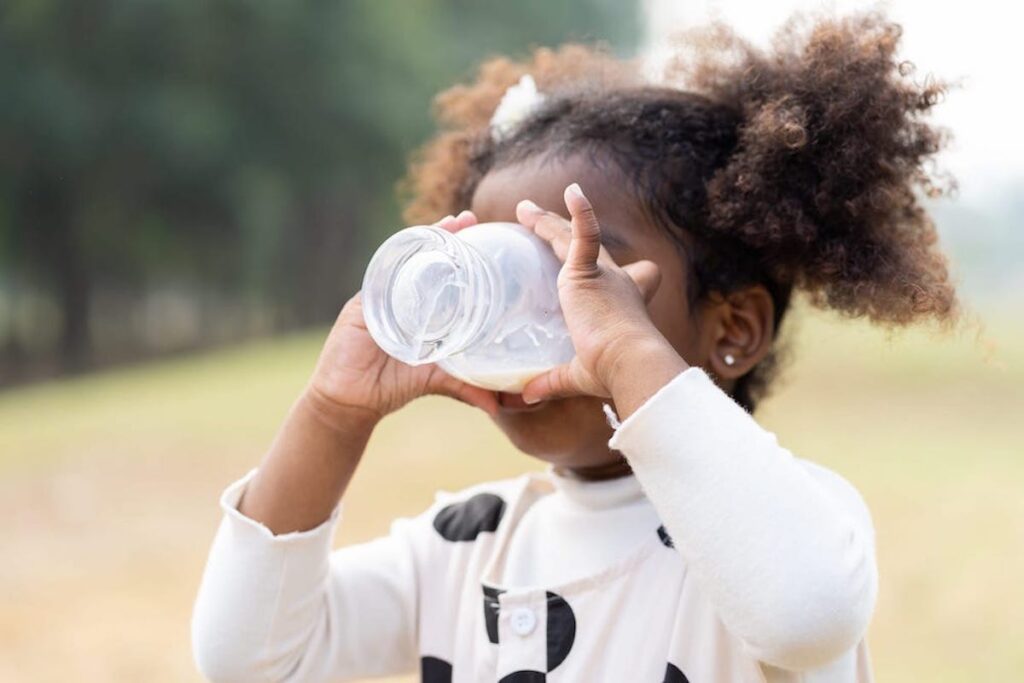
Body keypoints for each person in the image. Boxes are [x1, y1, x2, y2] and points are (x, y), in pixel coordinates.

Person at [192, 12, 958, 683]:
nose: (540, 308)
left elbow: (805, 613)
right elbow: (248, 656)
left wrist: (625, 353)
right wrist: (331, 414)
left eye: (585, 270)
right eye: (510, 267)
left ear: (732, 329)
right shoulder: (466, 542)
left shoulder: (793, 521)